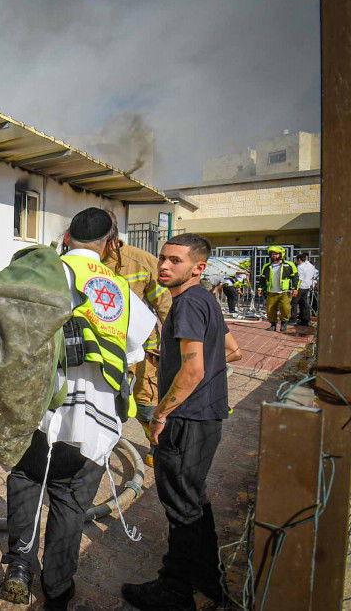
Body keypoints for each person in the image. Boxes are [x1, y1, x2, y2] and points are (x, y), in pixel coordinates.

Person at [1, 208, 156, 610]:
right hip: (93, 422)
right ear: (109, 243)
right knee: (70, 501)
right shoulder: (119, 289)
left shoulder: (45, 273)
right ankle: (57, 588)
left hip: (39, 411)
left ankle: (18, 567)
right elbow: (137, 344)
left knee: (26, 481)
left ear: (67, 236)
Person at [122, 233, 243, 611]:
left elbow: (193, 369)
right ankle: (209, 577)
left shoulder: (188, 304)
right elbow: (233, 351)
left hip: (187, 420)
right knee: (194, 501)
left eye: (176, 260)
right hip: (207, 417)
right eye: (162, 258)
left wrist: (160, 414)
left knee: (180, 506)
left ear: (198, 267)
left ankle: (174, 591)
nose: (164, 265)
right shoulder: (206, 298)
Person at [104, 210, 172, 465]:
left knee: (146, 403)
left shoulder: (141, 261)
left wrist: (175, 346)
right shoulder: (84, 261)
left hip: (143, 349)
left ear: (112, 236)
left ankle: (157, 443)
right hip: (104, 348)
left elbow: (166, 305)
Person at [256, 245, 299, 332]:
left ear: (281, 254)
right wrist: (260, 288)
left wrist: (295, 288)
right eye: (272, 254)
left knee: (285, 308)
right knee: (270, 309)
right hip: (271, 292)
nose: (273, 256)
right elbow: (262, 278)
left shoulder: (289, 265)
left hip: (284, 292)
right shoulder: (267, 266)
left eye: (275, 254)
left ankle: (283, 324)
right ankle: (273, 325)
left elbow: (295, 277)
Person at [292, 252, 318, 326]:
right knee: (304, 303)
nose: (295, 261)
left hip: (300, 287)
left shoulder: (300, 267)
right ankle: (305, 320)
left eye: (296, 260)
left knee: (294, 302)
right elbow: (314, 275)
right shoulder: (311, 266)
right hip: (307, 286)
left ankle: (293, 319)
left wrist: (295, 288)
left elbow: (299, 278)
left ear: (299, 259)